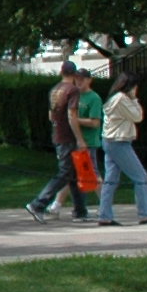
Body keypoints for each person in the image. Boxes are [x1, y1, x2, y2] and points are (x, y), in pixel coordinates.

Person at [24, 67, 92, 223]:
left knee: (74, 173)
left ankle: (80, 211)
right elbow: (72, 115)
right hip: (68, 136)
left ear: (61, 72)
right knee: (66, 172)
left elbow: (51, 115)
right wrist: (80, 138)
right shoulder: (72, 90)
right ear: (74, 74)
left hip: (58, 134)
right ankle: (38, 204)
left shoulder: (55, 90)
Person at [94, 71, 147, 226]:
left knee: (111, 180)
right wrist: (135, 99)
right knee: (140, 176)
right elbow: (138, 116)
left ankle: (105, 215)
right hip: (119, 142)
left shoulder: (114, 98)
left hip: (111, 141)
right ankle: (146, 213)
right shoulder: (122, 99)